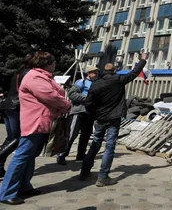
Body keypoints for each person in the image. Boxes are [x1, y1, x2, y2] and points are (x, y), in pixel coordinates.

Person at [0, 51, 71, 205]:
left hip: (42, 122)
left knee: (29, 156)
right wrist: (66, 104)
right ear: (46, 63)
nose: (55, 64)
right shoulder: (35, 77)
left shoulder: (42, 76)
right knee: (21, 156)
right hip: (35, 122)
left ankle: (24, 186)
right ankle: (6, 192)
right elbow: (49, 96)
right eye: (53, 62)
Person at [80, 53, 148, 187]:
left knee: (95, 144)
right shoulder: (118, 79)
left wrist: (95, 114)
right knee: (109, 147)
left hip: (100, 118)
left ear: (103, 71)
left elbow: (88, 103)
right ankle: (103, 177)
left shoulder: (95, 84)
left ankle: (84, 172)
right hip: (114, 118)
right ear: (115, 70)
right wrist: (143, 60)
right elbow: (134, 73)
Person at [56, 67, 99, 165]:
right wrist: (87, 99)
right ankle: (62, 154)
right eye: (94, 72)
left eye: (97, 72)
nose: (96, 74)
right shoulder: (81, 82)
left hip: (90, 113)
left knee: (86, 135)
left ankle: (81, 155)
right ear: (89, 73)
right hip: (79, 111)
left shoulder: (96, 84)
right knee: (72, 134)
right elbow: (72, 94)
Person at [0, 53, 33, 178]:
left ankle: (0, 166)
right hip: (15, 107)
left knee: (10, 138)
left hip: (7, 106)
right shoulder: (28, 73)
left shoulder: (18, 71)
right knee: (16, 139)